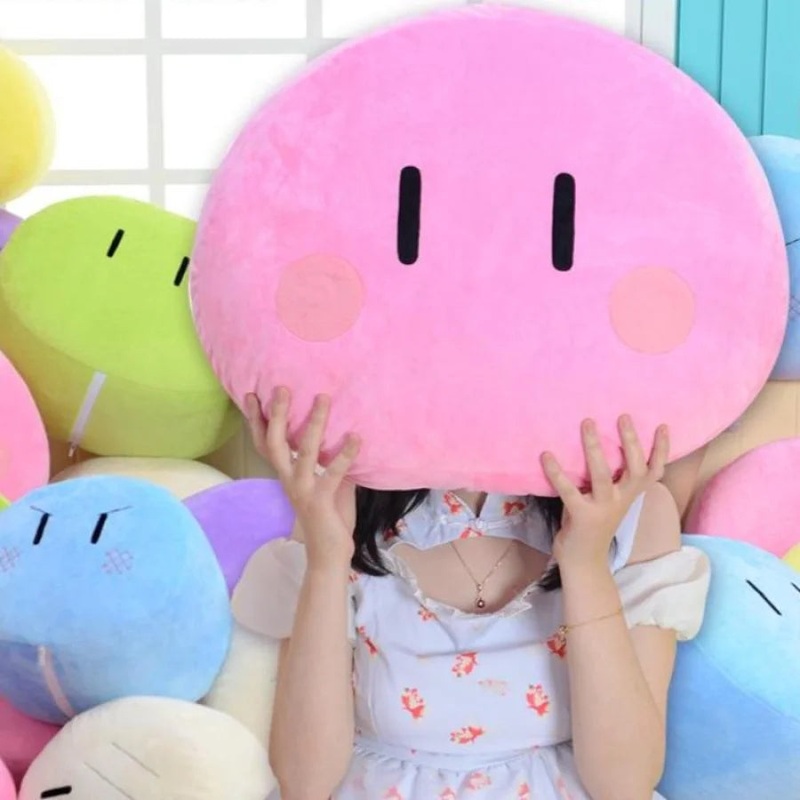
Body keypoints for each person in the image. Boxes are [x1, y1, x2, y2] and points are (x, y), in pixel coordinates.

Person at [239, 388, 710, 800]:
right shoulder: (342, 499)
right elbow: (304, 783)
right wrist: (326, 562)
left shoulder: (630, 512)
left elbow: (625, 785)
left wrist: (585, 566)